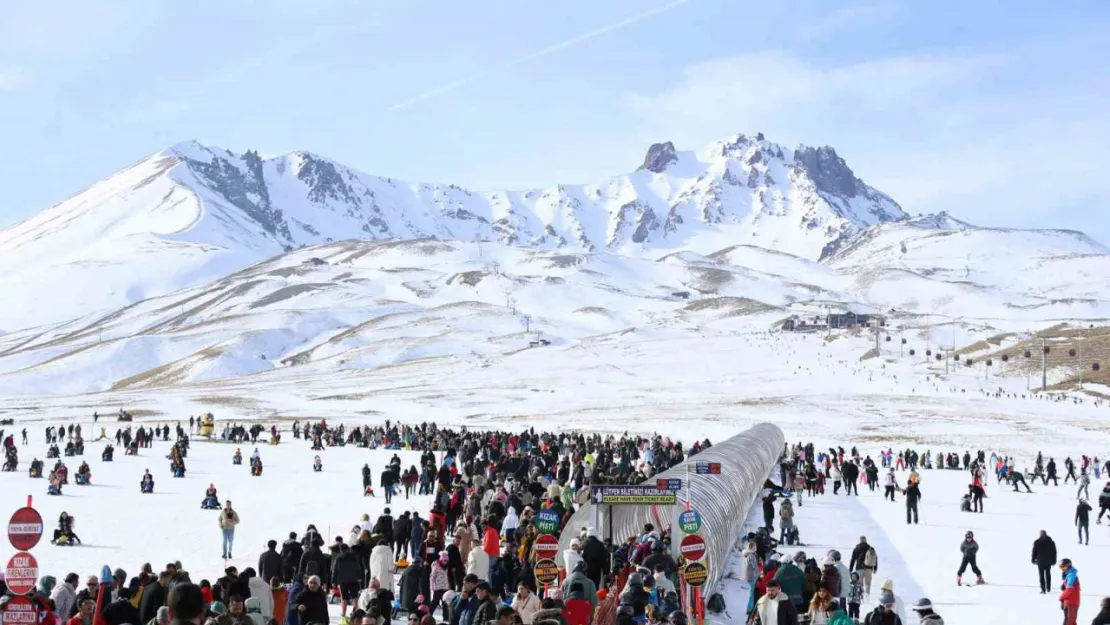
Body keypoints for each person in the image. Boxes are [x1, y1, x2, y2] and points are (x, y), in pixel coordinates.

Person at [1059, 559, 1080, 625]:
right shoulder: (1069, 574)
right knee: (1071, 622)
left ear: (1069, 566)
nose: (1063, 569)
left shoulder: (1071, 575)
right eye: (1061, 567)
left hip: (1071, 603)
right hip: (1070, 601)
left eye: (1064, 567)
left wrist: (1061, 598)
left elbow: (1069, 589)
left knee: (1069, 622)